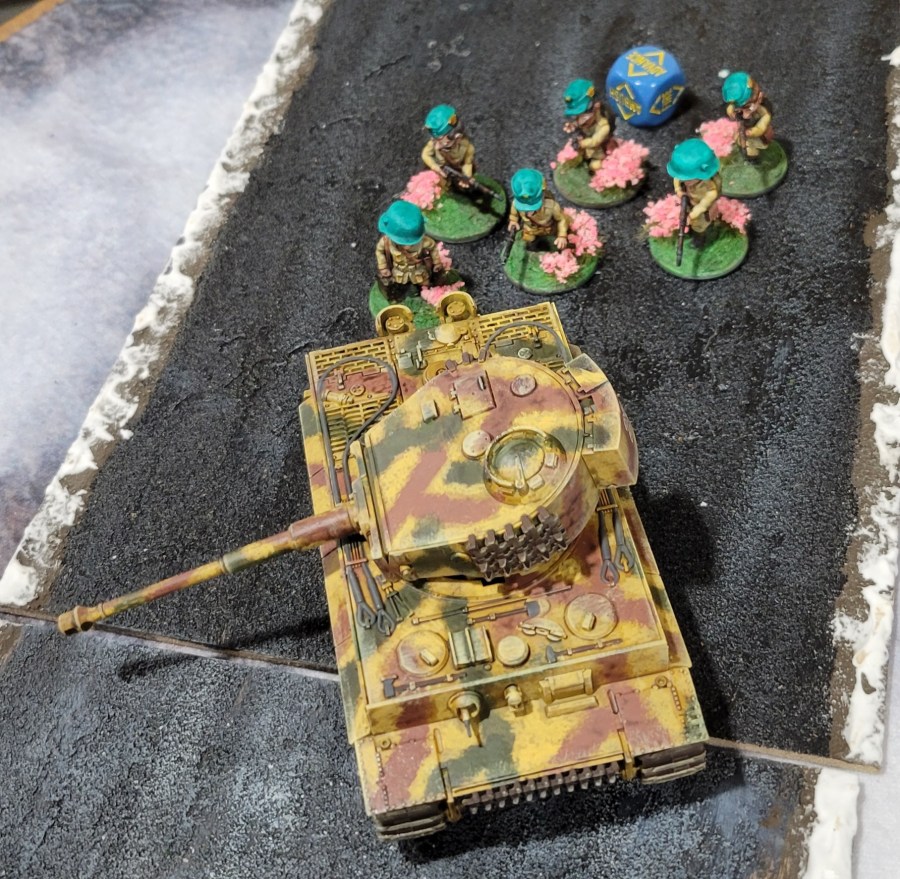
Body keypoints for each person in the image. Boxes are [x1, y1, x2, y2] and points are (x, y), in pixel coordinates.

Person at [375, 201, 446, 300]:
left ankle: (428, 297)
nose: (407, 246)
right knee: (399, 288)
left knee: (425, 284)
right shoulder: (386, 241)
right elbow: (379, 251)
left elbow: (433, 248)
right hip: (399, 271)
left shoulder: (424, 242)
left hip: (418, 270)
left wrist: (437, 262)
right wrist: (383, 267)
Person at [667, 139, 722, 247]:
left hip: (703, 211)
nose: (685, 181)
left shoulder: (710, 190)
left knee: (700, 226)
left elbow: (702, 207)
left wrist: (690, 216)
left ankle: (700, 240)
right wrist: (678, 190)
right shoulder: (684, 176)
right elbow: (677, 177)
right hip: (689, 201)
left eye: (689, 178)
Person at [507, 169, 568, 251]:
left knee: (556, 244)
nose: (528, 211)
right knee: (528, 240)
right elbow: (514, 213)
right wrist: (513, 220)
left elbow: (561, 220)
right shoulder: (516, 203)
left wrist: (562, 235)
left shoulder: (552, 206)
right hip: (530, 229)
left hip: (548, 229)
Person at [562, 79, 615, 171]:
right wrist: (573, 125)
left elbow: (594, 141)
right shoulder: (583, 118)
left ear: (596, 105)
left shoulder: (604, 126)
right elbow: (580, 123)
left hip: (598, 153)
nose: (581, 118)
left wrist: (581, 143)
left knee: (595, 166)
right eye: (577, 114)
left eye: (584, 112)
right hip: (584, 150)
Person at [421, 104, 476, 192]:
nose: (437, 147)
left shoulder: (467, 148)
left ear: (457, 138)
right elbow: (425, 154)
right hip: (440, 170)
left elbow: (467, 164)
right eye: (435, 140)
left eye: (442, 142)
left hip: (457, 169)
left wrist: (466, 177)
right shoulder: (434, 143)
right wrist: (434, 166)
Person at [722, 71, 774, 161]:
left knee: (753, 148)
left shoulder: (758, 106)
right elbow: (730, 108)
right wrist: (732, 113)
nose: (756, 91)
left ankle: (754, 159)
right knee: (742, 144)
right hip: (742, 130)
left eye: (754, 90)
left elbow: (765, 117)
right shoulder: (737, 106)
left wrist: (756, 130)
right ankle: (747, 156)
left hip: (756, 133)